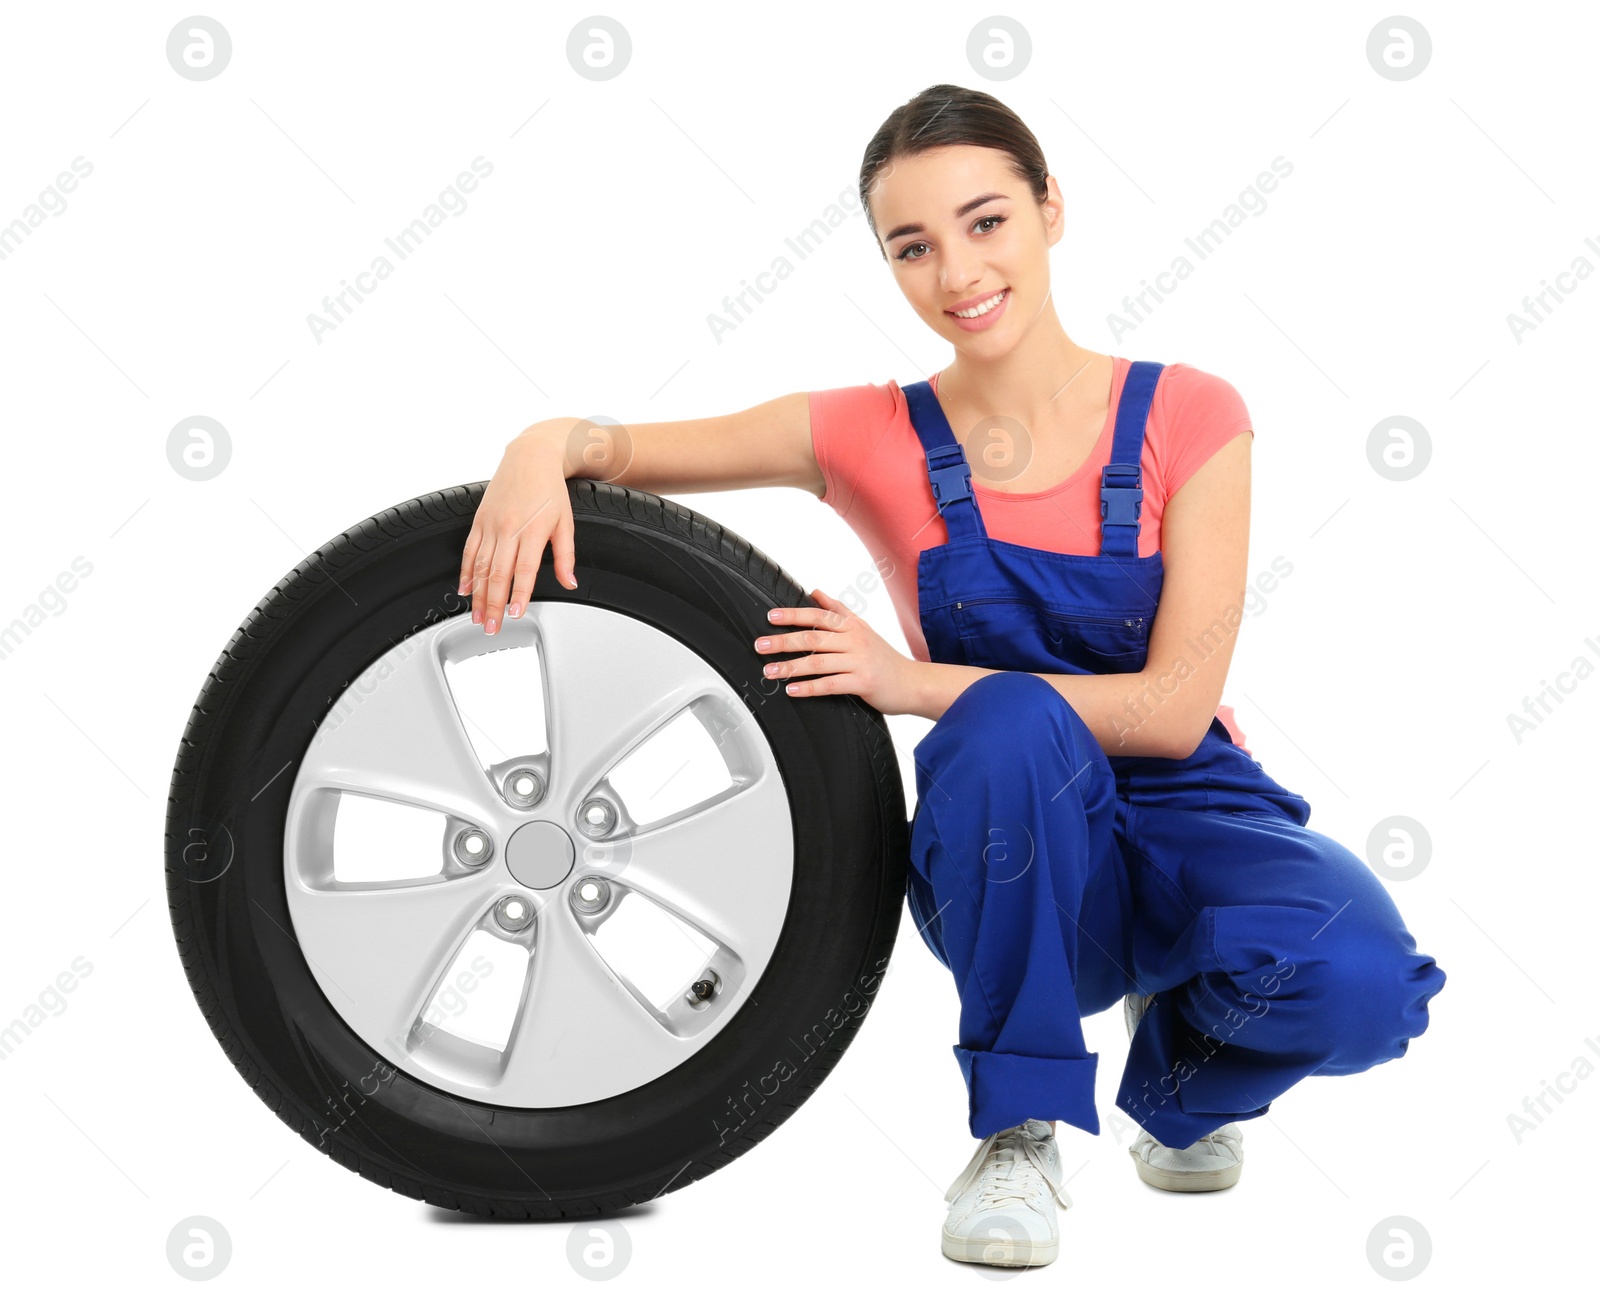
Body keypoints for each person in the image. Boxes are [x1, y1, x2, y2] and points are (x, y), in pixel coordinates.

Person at [458, 83, 1446, 1270]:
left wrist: (908, 679)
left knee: (1366, 985)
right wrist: (535, 449)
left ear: (1050, 210)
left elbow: (1175, 708)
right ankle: (1018, 1129)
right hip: (1007, 846)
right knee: (1012, 729)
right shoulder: (871, 432)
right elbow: (621, 450)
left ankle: (1180, 1080)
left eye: (986, 223)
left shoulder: (1191, 413)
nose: (956, 272)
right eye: (911, 247)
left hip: (1193, 801)